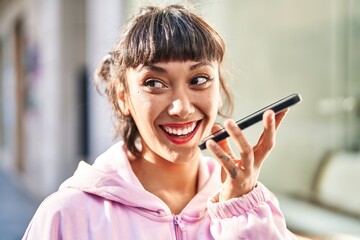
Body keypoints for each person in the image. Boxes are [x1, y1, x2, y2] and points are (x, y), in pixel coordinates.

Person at [23, 4, 298, 239]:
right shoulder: (67, 217)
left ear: (218, 88)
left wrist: (240, 211)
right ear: (122, 97)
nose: (181, 107)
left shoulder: (249, 207)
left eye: (199, 80)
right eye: (154, 83)